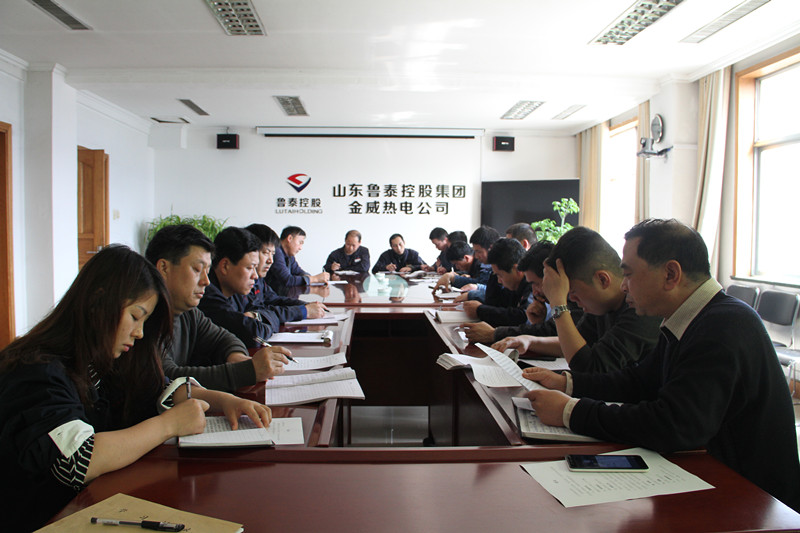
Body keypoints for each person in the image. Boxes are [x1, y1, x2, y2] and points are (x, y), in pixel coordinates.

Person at [525, 219, 800, 512]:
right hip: (718, 478)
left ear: (670, 274)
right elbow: (639, 381)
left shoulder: (724, 325)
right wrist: (567, 383)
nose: (623, 285)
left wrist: (570, 412)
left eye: (628, 274)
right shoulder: (690, 318)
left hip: (755, 501)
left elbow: (671, 425)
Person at [0, 245, 272, 531]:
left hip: (90, 508)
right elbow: (77, 461)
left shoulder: (96, 357)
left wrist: (224, 401)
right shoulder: (36, 370)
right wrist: (169, 425)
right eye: (135, 316)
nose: (139, 332)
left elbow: (154, 388)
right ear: (98, 302)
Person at [492, 227, 661, 372]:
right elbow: (576, 344)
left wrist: (558, 304)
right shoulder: (600, 306)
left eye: (572, 291)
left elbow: (589, 366)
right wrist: (529, 340)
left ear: (602, 280)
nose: (571, 298)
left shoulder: (641, 309)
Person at [145, 224, 290, 392]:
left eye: (207, 271)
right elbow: (167, 376)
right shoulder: (145, 318)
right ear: (164, 268)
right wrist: (246, 371)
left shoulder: (188, 312)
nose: (206, 281)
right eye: (197, 270)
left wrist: (237, 357)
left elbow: (223, 338)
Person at [198, 227, 282, 348]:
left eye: (255, 268)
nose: (255, 276)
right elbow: (254, 334)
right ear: (225, 266)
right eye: (250, 268)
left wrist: (258, 317)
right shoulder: (206, 295)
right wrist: (266, 322)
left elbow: (264, 312)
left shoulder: (235, 290)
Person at [245, 223, 327, 321]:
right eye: (266, 253)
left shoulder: (288, 256)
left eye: (272, 254)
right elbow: (287, 280)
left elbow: (274, 299)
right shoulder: (242, 284)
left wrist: (306, 305)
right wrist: (303, 310)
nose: (271, 260)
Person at [460, 237, 531, 326]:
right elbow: (493, 303)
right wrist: (493, 275)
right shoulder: (512, 284)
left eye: (500, 275)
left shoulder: (532, 284)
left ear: (517, 270)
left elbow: (524, 317)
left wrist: (481, 310)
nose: (499, 281)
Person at [266, 226, 329, 296]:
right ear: (290, 238)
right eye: (300, 242)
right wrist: (315, 279)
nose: (300, 248)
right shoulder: (276, 252)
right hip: (272, 298)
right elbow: (287, 280)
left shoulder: (289, 255)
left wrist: (309, 277)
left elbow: (298, 271)